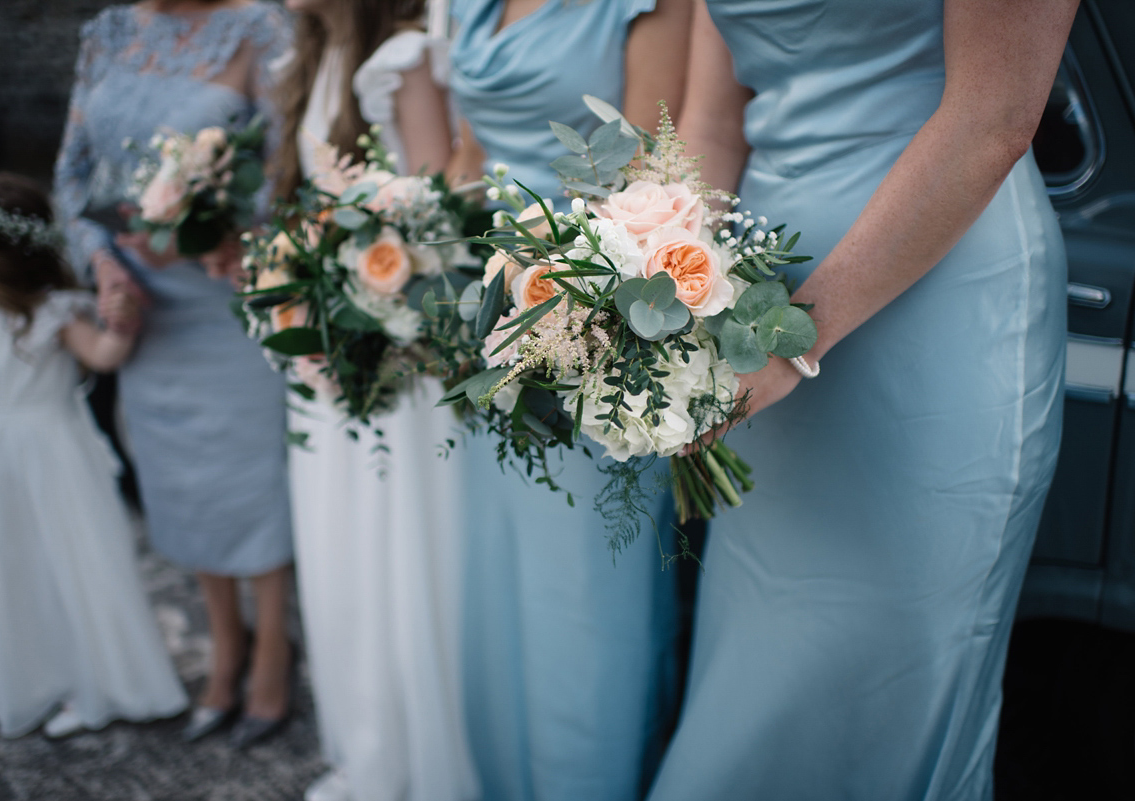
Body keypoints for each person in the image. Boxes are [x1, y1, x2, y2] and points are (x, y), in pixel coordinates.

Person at [646, 1, 1077, 798]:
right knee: (756, 680)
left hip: (939, 298)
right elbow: (711, 120)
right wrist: (665, 293)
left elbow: (994, 119)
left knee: (883, 697)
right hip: (755, 300)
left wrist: (791, 342)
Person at [446, 2, 692, 799]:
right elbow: (471, 155)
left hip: (593, 320)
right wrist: (438, 259)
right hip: (490, 324)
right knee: (505, 583)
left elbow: (655, 163)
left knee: (586, 599)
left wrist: (571, 304)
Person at [52, 0, 296, 749]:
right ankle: (224, 648)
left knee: (252, 478)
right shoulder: (107, 34)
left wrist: (205, 232)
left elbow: (290, 175)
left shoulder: (264, 29)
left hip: (232, 298)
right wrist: (99, 260)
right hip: (139, 308)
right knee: (183, 482)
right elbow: (72, 172)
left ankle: (273, 653)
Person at [271, 2, 477, 800]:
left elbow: (439, 218)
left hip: (389, 346)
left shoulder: (401, 58)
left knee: (386, 546)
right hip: (322, 346)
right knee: (335, 545)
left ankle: (412, 750)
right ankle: (365, 743)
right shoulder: (309, 61)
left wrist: (355, 299)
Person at [0, 173, 187, 739]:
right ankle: (44, 675)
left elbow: (101, 355)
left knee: (77, 560)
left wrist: (121, 325)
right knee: (17, 563)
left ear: (0, 254)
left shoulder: (54, 311)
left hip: (55, 450)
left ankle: (102, 682)